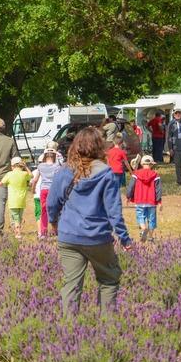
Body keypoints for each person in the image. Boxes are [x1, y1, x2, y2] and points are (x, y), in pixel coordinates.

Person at [47, 127, 132, 315]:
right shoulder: (107, 174)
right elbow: (114, 213)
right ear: (99, 148)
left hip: (69, 236)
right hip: (98, 238)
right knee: (109, 280)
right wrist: (124, 238)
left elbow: (52, 203)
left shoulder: (64, 171)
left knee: (71, 284)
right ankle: (107, 328)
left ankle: (69, 332)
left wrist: (54, 223)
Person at [126, 155, 162, 242]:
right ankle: (150, 237)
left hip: (140, 200)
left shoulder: (136, 174)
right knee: (152, 218)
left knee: (140, 216)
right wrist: (159, 201)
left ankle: (143, 228)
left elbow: (131, 187)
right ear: (151, 164)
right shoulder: (155, 175)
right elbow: (158, 190)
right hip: (151, 201)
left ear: (142, 164)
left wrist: (128, 196)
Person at [0, 156, 32, 239]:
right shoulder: (24, 174)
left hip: (13, 201)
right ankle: (17, 231)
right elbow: (31, 175)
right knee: (19, 217)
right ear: (21, 165)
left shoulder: (9, 174)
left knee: (15, 218)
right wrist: (26, 167)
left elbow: (1, 183)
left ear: (12, 166)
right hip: (22, 200)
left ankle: (18, 234)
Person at [30, 150, 60, 238]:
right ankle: (55, 230)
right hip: (54, 190)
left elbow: (35, 180)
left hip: (44, 190)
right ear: (54, 156)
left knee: (44, 211)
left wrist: (33, 190)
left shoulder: (40, 166)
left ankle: (43, 232)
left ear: (44, 156)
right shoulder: (57, 166)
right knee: (55, 210)